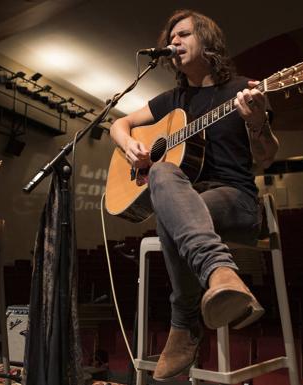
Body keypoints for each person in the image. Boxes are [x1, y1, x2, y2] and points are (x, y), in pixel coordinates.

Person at [110, 9, 279, 381]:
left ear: (208, 41)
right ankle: (220, 274)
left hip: (236, 200)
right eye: (171, 38)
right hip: (188, 203)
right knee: (163, 171)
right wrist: (129, 147)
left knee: (177, 215)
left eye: (184, 35)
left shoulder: (243, 89)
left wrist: (255, 122)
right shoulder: (172, 99)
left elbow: (266, 157)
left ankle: (184, 323)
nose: (174, 42)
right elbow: (118, 123)